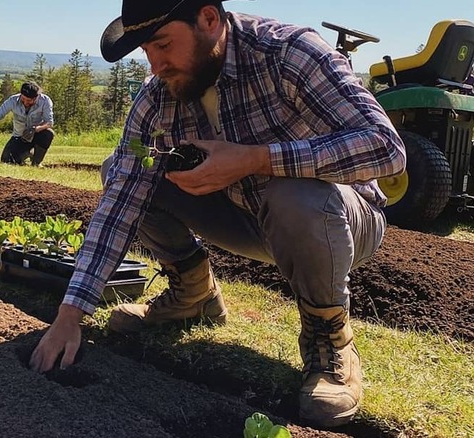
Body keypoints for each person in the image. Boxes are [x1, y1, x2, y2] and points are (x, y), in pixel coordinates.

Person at [29, 0, 406, 429]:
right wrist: (70, 315)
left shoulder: (289, 54)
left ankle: (329, 339)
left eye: (164, 45)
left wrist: (257, 159)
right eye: (146, 52)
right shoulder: (158, 98)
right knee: (126, 171)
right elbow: (120, 201)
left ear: (208, 19)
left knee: (294, 193)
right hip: (243, 216)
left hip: (337, 219)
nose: (156, 67)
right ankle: (193, 296)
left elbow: (387, 149)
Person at [0, 81, 55, 166]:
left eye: (29, 100)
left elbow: (49, 122)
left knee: (48, 133)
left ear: (36, 97)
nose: (25, 102)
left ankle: (36, 163)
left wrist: (35, 129)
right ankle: (29, 152)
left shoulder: (45, 101)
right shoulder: (13, 100)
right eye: (23, 99)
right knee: (7, 160)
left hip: (37, 134)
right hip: (19, 137)